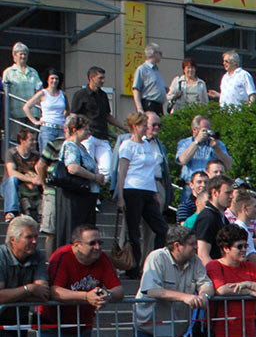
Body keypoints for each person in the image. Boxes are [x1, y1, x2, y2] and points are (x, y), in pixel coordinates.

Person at [115, 111, 168, 266]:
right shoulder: (127, 145)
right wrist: (120, 196)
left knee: (161, 229)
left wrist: (155, 193)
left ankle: (156, 261)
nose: (146, 128)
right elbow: (121, 172)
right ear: (135, 126)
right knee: (134, 232)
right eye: (143, 125)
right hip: (132, 190)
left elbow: (150, 171)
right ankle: (133, 266)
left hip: (147, 191)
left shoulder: (146, 145)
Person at [55, 115, 105, 251]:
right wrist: (94, 177)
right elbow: (72, 167)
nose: (89, 132)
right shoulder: (70, 145)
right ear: (75, 129)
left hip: (86, 196)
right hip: (76, 197)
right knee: (76, 230)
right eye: (85, 129)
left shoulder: (81, 147)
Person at [175, 115, 233, 182]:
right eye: (205, 130)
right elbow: (182, 160)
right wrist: (196, 142)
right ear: (194, 129)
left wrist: (217, 149)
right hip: (191, 184)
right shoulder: (185, 143)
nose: (208, 133)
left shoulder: (217, 144)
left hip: (211, 183)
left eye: (209, 129)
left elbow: (228, 165)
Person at [70, 66, 121, 142]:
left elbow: (107, 116)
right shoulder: (80, 94)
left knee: (108, 154)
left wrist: (123, 127)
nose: (103, 81)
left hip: (103, 135)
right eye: (100, 78)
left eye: (103, 78)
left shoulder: (103, 95)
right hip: (88, 136)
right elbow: (73, 115)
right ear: (91, 78)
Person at [22, 69, 67, 149]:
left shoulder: (62, 94)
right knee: (47, 156)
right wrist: (35, 121)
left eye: (56, 79)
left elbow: (67, 109)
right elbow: (26, 107)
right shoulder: (43, 93)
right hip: (47, 129)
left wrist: (64, 119)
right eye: (52, 78)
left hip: (61, 129)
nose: (54, 81)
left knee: (60, 157)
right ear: (47, 80)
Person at [194, 175, 234, 264]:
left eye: (232, 192)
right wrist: (217, 274)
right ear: (215, 193)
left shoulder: (221, 217)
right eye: (227, 193)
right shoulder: (207, 218)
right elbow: (202, 254)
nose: (231, 196)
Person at [5, 129, 44, 222]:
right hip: (11, 187)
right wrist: (31, 179)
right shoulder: (11, 153)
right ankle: (11, 211)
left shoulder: (36, 155)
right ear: (22, 141)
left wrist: (40, 177)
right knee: (12, 179)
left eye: (35, 140)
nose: (35, 142)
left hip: (29, 188)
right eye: (32, 140)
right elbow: (11, 172)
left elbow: (41, 170)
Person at [229, 188, 256, 259]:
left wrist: (249, 240)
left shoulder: (253, 220)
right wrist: (247, 241)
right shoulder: (230, 221)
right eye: (255, 206)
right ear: (244, 207)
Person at [131, 44, 167, 115]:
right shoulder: (142, 69)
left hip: (159, 106)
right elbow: (136, 89)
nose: (161, 56)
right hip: (149, 105)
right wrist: (139, 108)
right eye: (160, 53)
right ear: (153, 53)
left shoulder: (157, 71)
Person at [3, 42, 41, 108]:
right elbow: (5, 95)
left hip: (33, 112)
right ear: (14, 55)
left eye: (25, 54)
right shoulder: (8, 72)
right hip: (16, 113)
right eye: (21, 54)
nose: (23, 56)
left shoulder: (33, 72)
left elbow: (39, 91)